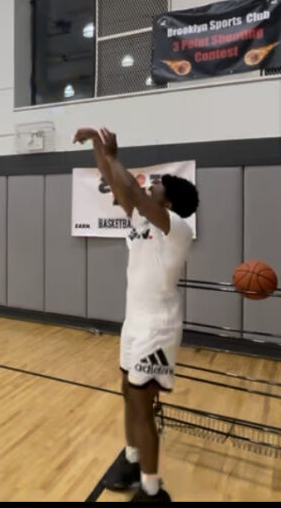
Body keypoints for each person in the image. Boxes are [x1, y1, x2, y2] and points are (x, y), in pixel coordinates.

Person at [74, 126, 199, 502]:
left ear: (170, 203)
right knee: (128, 393)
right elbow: (118, 186)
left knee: (144, 407)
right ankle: (131, 460)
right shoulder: (143, 219)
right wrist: (99, 148)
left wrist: (113, 155)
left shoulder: (177, 229)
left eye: (159, 185)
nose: (152, 185)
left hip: (158, 329)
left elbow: (132, 190)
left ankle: (151, 488)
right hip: (135, 323)